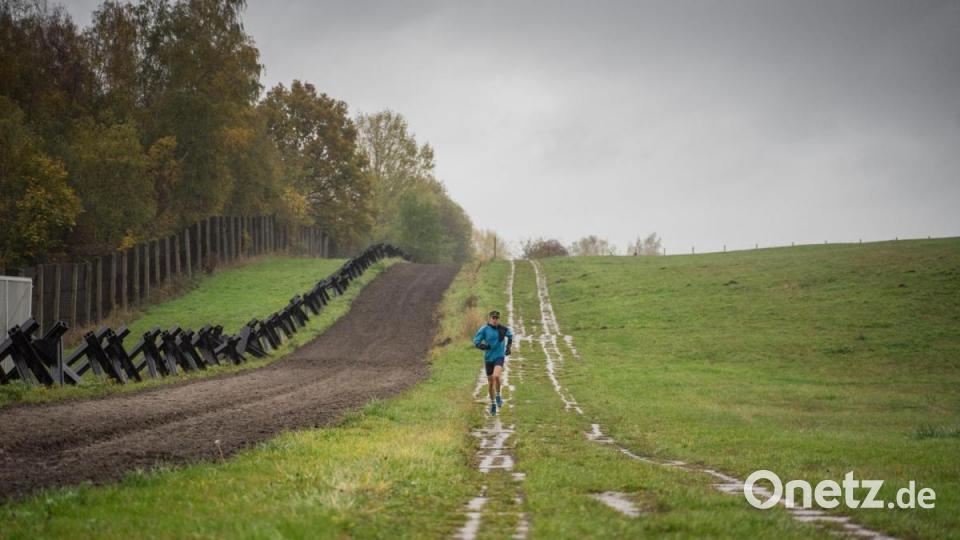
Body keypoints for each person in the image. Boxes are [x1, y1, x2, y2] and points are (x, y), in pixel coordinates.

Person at [473, 310, 513, 415]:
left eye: (496, 318)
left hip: (499, 357)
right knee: (490, 384)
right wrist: (482, 346)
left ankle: (499, 396)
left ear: (499, 319)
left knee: (496, 376)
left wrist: (508, 348)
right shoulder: (484, 329)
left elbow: (510, 336)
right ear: (489, 319)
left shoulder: (503, 329)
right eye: (493, 318)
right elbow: (476, 341)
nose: (495, 320)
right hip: (488, 359)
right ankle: (493, 403)